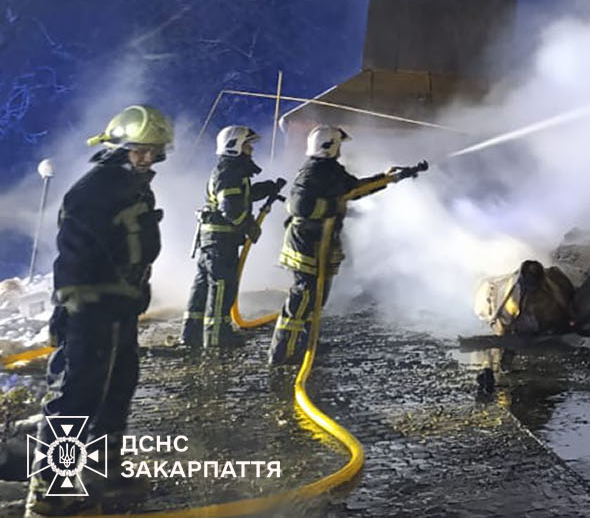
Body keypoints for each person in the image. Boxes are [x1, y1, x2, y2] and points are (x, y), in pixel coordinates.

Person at [27, 105, 171, 518]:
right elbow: (72, 258)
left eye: (152, 151)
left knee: (119, 385)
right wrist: (75, 308)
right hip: (89, 312)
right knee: (77, 395)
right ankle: (52, 492)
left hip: (119, 308)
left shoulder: (134, 187)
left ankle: (104, 470)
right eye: (138, 150)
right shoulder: (93, 192)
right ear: (117, 148)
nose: (146, 158)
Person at [267, 125, 425, 366]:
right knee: (303, 298)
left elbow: (353, 189)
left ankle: (307, 343)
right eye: (338, 145)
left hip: (319, 242)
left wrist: (388, 178)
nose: (341, 149)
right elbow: (298, 207)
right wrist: (331, 208)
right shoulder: (313, 172)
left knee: (316, 298)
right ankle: (282, 352)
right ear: (329, 146)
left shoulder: (329, 170)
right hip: (306, 244)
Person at [181, 126, 283, 352]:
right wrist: (249, 226)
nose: (251, 150)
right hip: (220, 241)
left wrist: (266, 189)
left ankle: (192, 334)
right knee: (222, 286)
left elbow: (241, 196)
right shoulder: (228, 172)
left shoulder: (232, 171)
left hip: (214, 240)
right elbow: (231, 209)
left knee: (203, 286)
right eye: (247, 145)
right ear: (234, 147)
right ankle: (217, 336)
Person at [493, 260, 578, 337]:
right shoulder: (513, 298)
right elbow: (504, 322)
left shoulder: (555, 282)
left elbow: (567, 300)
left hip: (555, 325)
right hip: (528, 331)